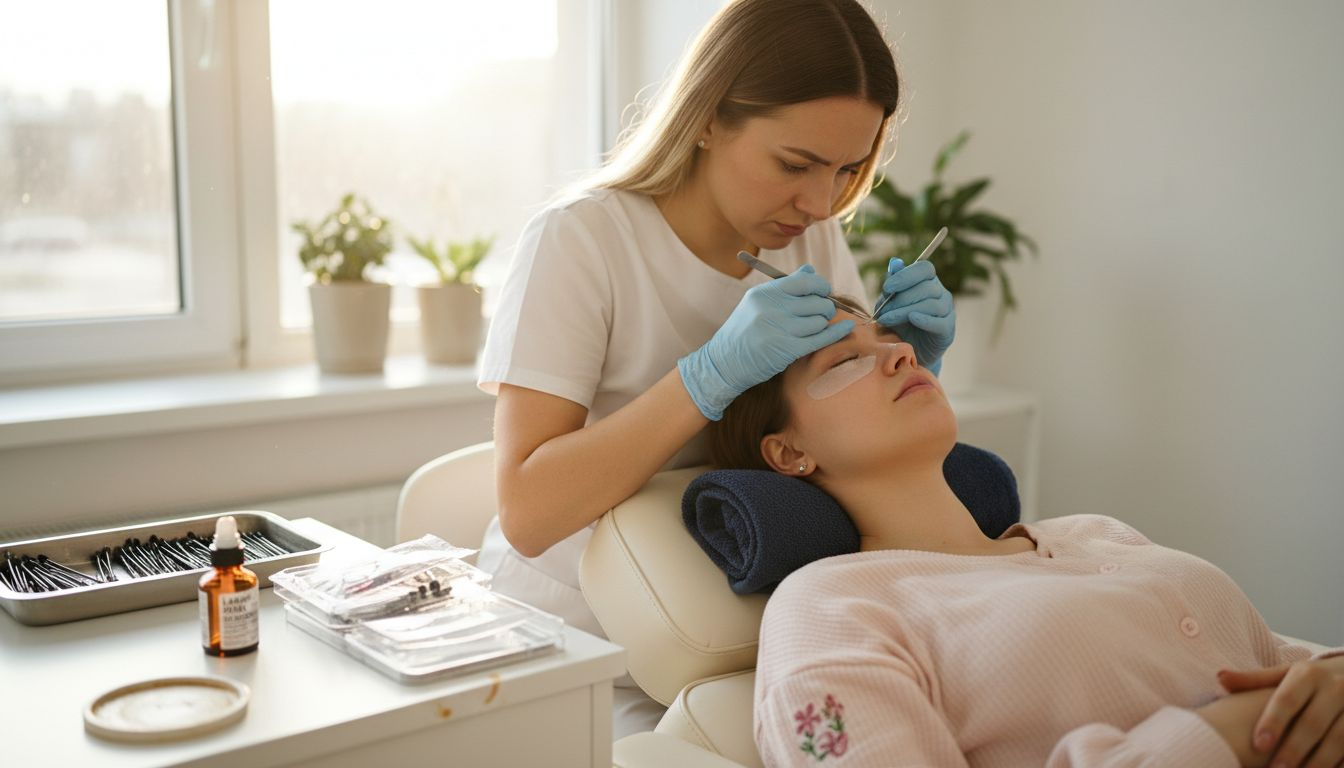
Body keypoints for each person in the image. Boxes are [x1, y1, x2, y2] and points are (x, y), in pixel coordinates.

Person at [477, 0, 956, 735]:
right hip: (569, 635)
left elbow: (840, 442)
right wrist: (705, 378)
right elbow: (528, 514)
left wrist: (909, 361)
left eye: (847, 169)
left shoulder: (808, 235)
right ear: (707, 118)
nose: (820, 202)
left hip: (731, 607)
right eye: (794, 164)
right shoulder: (583, 240)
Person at [705, 313, 1344, 767]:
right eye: (846, 361)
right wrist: (1219, 738)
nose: (903, 354)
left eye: (892, 339)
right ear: (788, 452)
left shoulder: (1093, 533)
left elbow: (1284, 662)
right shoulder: (829, 607)